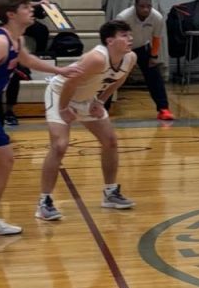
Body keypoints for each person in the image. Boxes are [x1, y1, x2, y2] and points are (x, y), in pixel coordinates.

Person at [0, 0, 74, 236]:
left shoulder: (16, 40)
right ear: (11, 14)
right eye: (26, 6)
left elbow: (28, 60)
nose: (31, 9)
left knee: (4, 161)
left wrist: (60, 69)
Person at [36, 21, 138, 221]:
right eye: (124, 35)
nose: (130, 39)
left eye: (130, 35)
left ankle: (110, 193)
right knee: (60, 146)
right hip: (61, 94)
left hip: (87, 98)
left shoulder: (130, 57)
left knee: (110, 141)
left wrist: (100, 101)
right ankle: (44, 202)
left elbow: (119, 80)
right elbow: (69, 83)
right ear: (110, 40)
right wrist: (64, 109)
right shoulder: (96, 58)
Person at [115, 0, 174, 121]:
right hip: (124, 49)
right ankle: (103, 108)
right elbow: (117, 38)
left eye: (148, 6)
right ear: (135, 6)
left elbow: (156, 39)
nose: (146, 9)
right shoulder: (123, 17)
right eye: (142, 6)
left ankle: (163, 109)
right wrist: (118, 56)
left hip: (143, 48)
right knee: (113, 77)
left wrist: (153, 56)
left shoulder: (157, 17)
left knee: (155, 78)